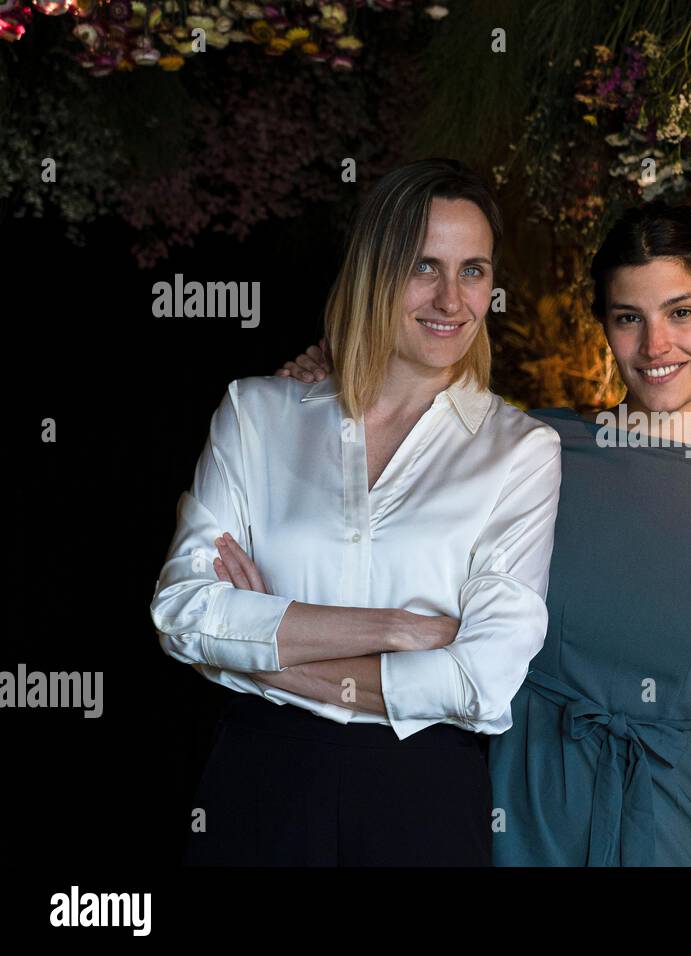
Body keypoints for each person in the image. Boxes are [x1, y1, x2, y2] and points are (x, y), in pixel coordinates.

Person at [277, 202, 691, 865]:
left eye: (681, 312)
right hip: (515, 803)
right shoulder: (535, 445)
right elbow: (380, 512)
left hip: (673, 823)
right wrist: (303, 401)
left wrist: (654, 768)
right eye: (628, 318)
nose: (655, 346)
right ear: (605, 326)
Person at [150, 158, 561, 866]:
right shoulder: (257, 412)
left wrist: (262, 653)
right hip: (261, 780)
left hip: (422, 793)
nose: (451, 298)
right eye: (423, 265)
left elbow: (482, 681)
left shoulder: (521, 451)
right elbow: (184, 612)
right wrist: (396, 630)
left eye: (474, 270)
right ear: (374, 268)